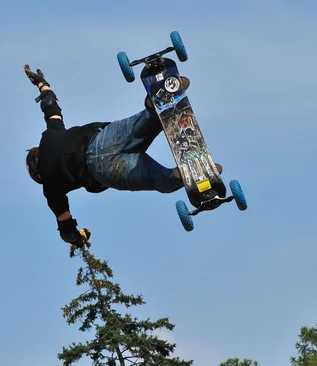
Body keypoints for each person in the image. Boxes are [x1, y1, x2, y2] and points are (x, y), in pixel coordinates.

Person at [24, 64, 222, 247]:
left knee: (157, 180)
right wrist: (42, 84)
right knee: (149, 120)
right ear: (37, 151)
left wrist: (77, 238)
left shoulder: (50, 190)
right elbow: (51, 107)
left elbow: (65, 227)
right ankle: (158, 102)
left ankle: (181, 174)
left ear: (38, 175)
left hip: (104, 171)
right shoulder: (50, 136)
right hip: (102, 139)